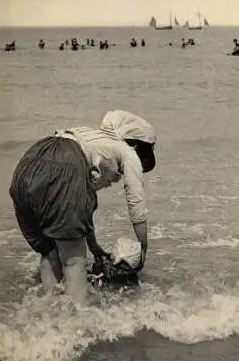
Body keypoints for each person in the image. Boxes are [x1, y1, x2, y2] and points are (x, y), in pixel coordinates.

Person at [9, 110, 156, 304]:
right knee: (73, 261)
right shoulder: (127, 151)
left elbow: (78, 205)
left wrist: (93, 246)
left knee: (49, 252)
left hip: (27, 165)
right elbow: (135, 200)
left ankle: (47, 318)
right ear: (136, 145)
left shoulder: (90, 138)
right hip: (64, 166)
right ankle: (79, 326)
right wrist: (143, 247)